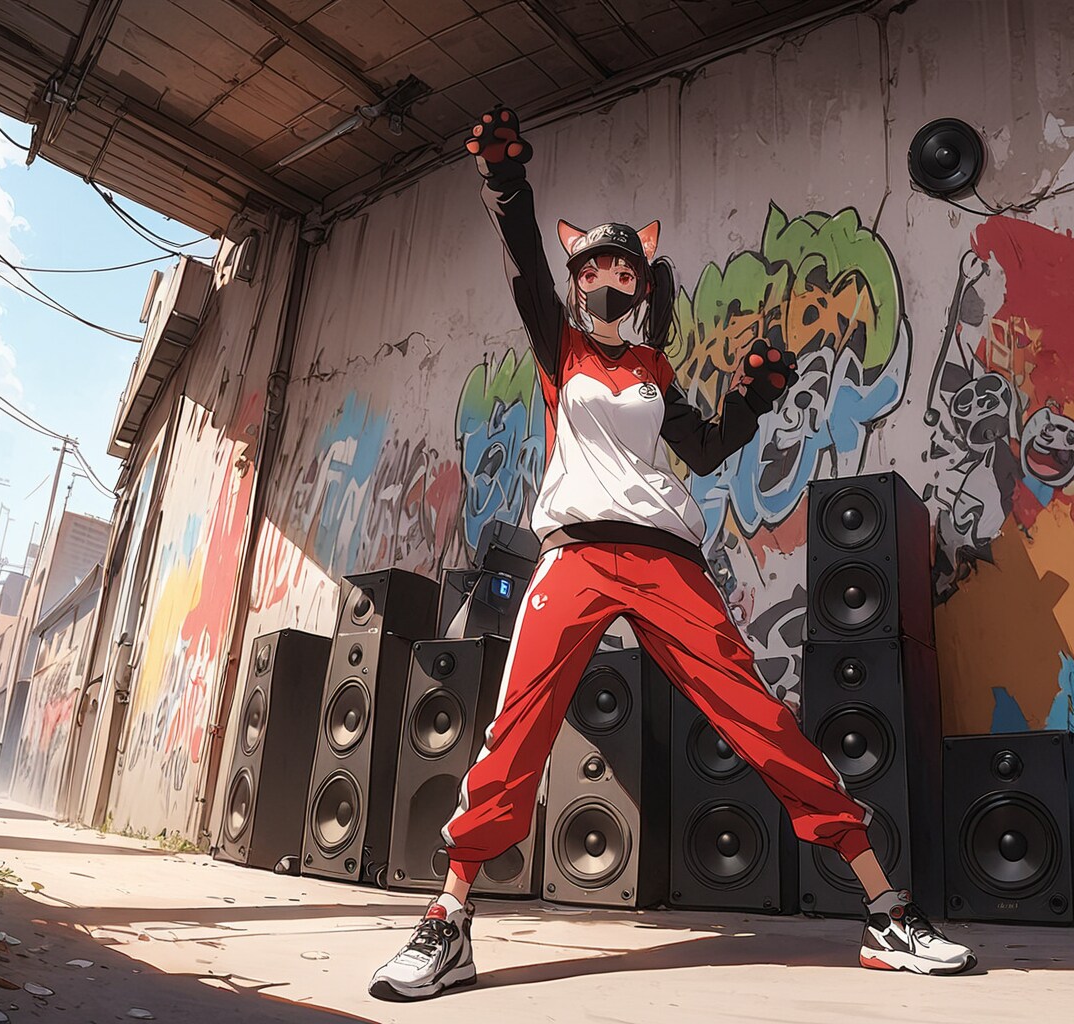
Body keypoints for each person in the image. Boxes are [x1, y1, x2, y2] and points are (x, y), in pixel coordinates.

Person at [368, 106, 976, 1001]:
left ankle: (887, 911)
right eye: (594, 270)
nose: (608, 280)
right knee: (518, 727)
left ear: (642, 283)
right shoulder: (559, 348)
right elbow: (524, 265)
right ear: (578, 283)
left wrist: (755, 401)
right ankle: (448, 920)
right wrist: (505, 181)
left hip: (668, 561)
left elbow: (707, 449)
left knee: (759, 719)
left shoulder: (655, 372)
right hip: (576, 555)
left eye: (624, 270)